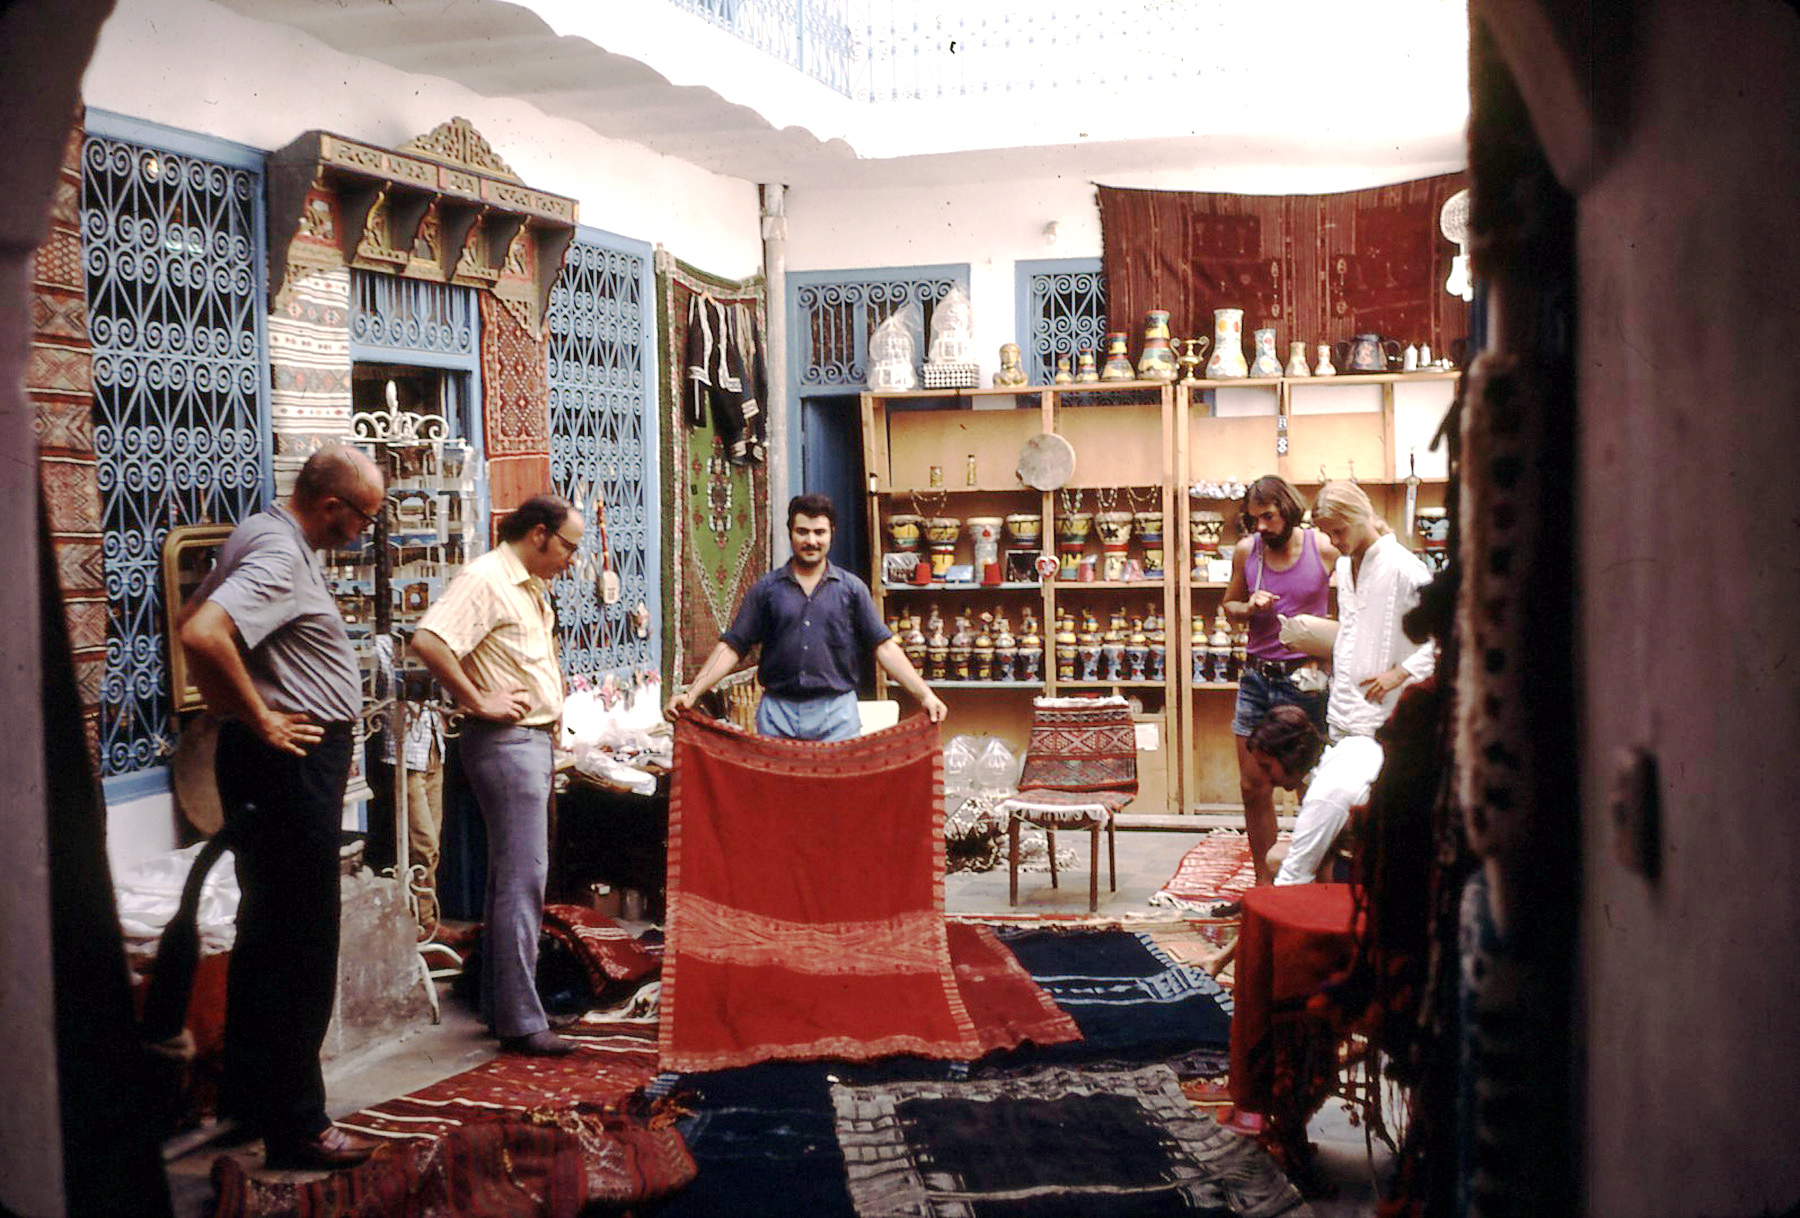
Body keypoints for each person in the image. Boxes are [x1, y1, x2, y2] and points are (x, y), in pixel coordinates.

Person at [176, 444, 386, 1171]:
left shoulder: (260, 535)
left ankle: (249, 1100)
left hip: (279, 761)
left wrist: (239, 708)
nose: (364, 532)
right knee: (300, 941)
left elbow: (194, 613)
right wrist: (261, 719)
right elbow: (200, 633)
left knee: (266, 931)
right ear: (333, 506)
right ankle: (299, 1123)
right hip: (288, 761)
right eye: (365, 518)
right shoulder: (276, 549)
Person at [410, 494, 584, 1057]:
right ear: (538, 534)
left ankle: (499, 1003)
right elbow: (429, 641)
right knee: (521, 882)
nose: (572, 559)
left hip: (527, 741)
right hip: (506, 745)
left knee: (511, 880)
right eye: (568, 546)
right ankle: (520, 1020)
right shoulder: (486, 578)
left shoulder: (526, 585)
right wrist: (478, 699)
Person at [666, 492, 947, 740]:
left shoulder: (852, 590)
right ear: (791, 533)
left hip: (837, 715)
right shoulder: (766, 590)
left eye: (819, 532)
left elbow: (883, 647)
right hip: (777, 715)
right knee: (778, 798)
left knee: (835, 798)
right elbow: (731, 646)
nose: (811, 540)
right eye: (803, 532)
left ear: (831, 533)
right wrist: (691, 694)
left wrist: (925, 695)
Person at [1269, 480, 1437, 886]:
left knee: (1317, 819)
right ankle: (1292, 897)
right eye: (1326, 533)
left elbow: (1448, 637)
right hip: (1343, 717)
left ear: (1361, 517)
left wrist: (1401, 672)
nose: (1333, 541)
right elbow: (1352, 633)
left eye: (1338, 531)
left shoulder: (1403, 567)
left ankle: (1284, 903)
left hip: (1380, 726)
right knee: (1301, 835)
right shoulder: (1345, 566)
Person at [1221, 475, 1340, 886]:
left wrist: (1326, 648)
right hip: (1257, 677)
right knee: (1253, 787)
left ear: (1287, 510)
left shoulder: (1322, 548)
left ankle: (1311, 886)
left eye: (1268, 517)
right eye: (1254, 519)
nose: (1261, 527)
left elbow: (1355, 604)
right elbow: (1228, 607)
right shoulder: (1246, 552)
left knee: (1312, 788)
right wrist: (1247, 609)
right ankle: (1263, 888)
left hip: (1305, 682)